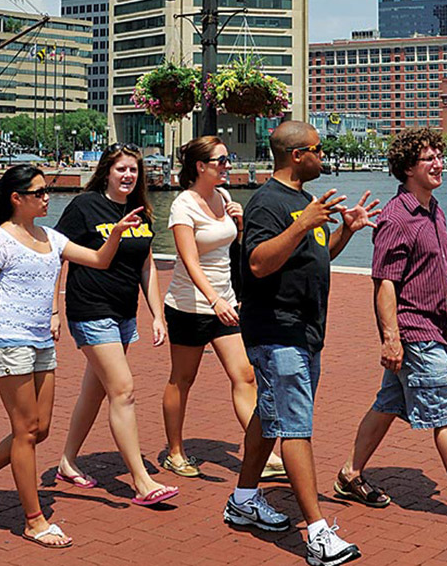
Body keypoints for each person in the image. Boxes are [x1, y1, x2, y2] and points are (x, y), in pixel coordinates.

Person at [0, 164, 144, 548]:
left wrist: (117, 234)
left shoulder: (51, 238)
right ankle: (34, 520)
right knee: (25, 432)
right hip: (7, 341)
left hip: (41, 342)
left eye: (46, 190)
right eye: (38, 193)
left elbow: (100, 261)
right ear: (16, 199)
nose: (46, 197)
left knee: (40, 430)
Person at [334, 128, 447, 526]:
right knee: (445, 410)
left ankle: (350, 474)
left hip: (434, 325)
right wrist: (391, 339)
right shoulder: (397, 219)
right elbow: (384, 284)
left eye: (439, 154)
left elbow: (433, 266)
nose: (439, 163)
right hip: (415, 332)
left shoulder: (435, 209)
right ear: (406, 169)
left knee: (388, 404)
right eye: (428, 158)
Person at [225, 121, 378, 566]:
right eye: (317, 148)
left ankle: (243, 499)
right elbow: (257, 263)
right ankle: (316, 533)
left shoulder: (303, 202)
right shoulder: (268, 203)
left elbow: (313, 255)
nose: (322, 154)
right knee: (294, 425)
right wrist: (302, 224)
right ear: (297, 155)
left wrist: (344, 231)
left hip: (306, 330)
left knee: (270, 416)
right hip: (277, 330)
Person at [53, 143, 178, 506]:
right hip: (90, 309)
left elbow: (146, 265)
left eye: (133, 170)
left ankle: (67, 461)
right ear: (106, 171)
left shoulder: (142, 212)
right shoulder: (83, 207)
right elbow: (56, 254)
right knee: (123, 390)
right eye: (121, 169)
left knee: (95, 390)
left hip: (123, 313)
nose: (128, 176)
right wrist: (54, 310)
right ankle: (142, 481)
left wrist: (157, 314)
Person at [160, 136, 285, 479]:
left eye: (227, 160)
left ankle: (262, 451)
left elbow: (232, 252)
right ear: (200, 166)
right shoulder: (183, 206)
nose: (227, 166)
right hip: (190, 305)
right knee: (183, 379)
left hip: (225, 305)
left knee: (244, 375)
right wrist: (213, 300)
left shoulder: (225, 197)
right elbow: (189, 261)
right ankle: (174, 451)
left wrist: (241, 224)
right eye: (221, 161)